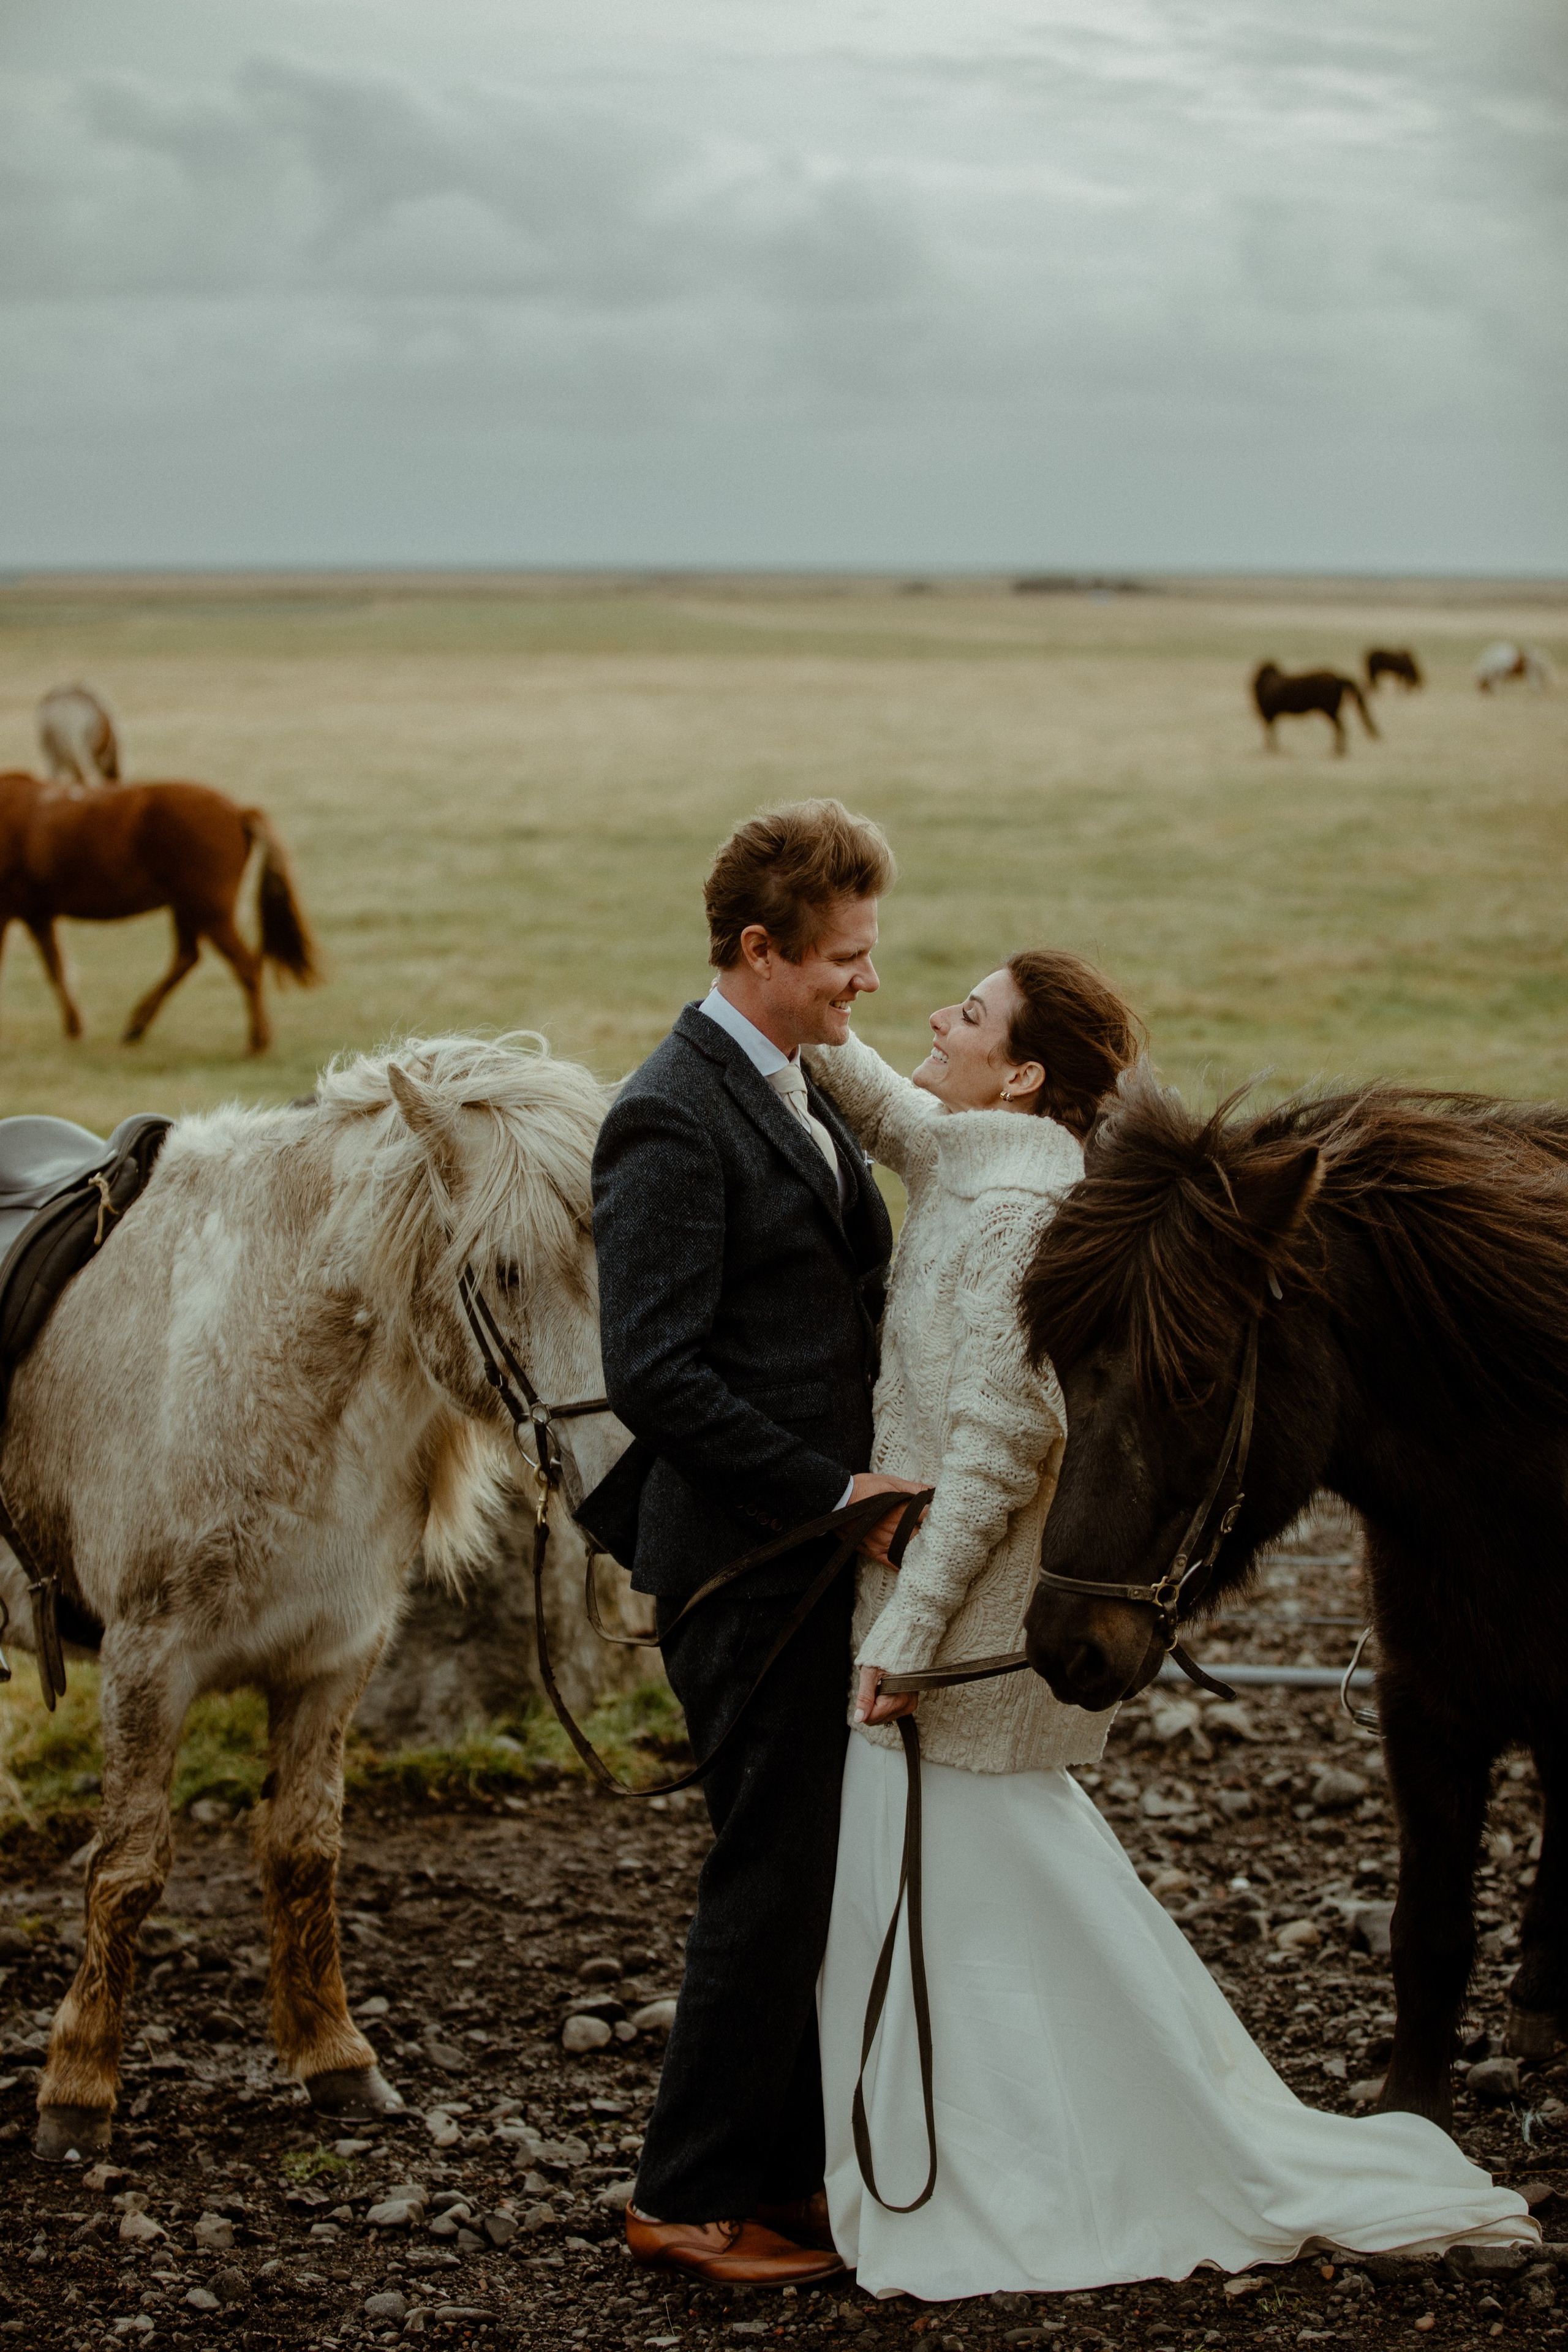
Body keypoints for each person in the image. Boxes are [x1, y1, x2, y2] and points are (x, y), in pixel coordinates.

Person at [808, 952, 1534, 2299]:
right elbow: (884, 1107)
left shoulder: (1025, 1213)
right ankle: (958, 2137)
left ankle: (1014, 2156)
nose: (932, 1017)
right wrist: (787, 1002)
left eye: (964, 1013)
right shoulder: (970, 1156)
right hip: (907, 1601)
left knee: (992, 1885)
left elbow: (991, 1451)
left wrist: (900, 1634)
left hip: (935, 1610)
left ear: (1022, 1074)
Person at [591, 800, 928, 2287]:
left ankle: (778, 2173)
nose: (867, 979)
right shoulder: (669, 1112)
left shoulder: (789, 1080)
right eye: (845, 957)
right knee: (765, 1873)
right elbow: (654, 1373)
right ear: (758, 951)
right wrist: (831, 1494)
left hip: (803, 1561)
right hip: (741, 1566)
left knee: (803, 1866)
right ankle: (681, 2199)